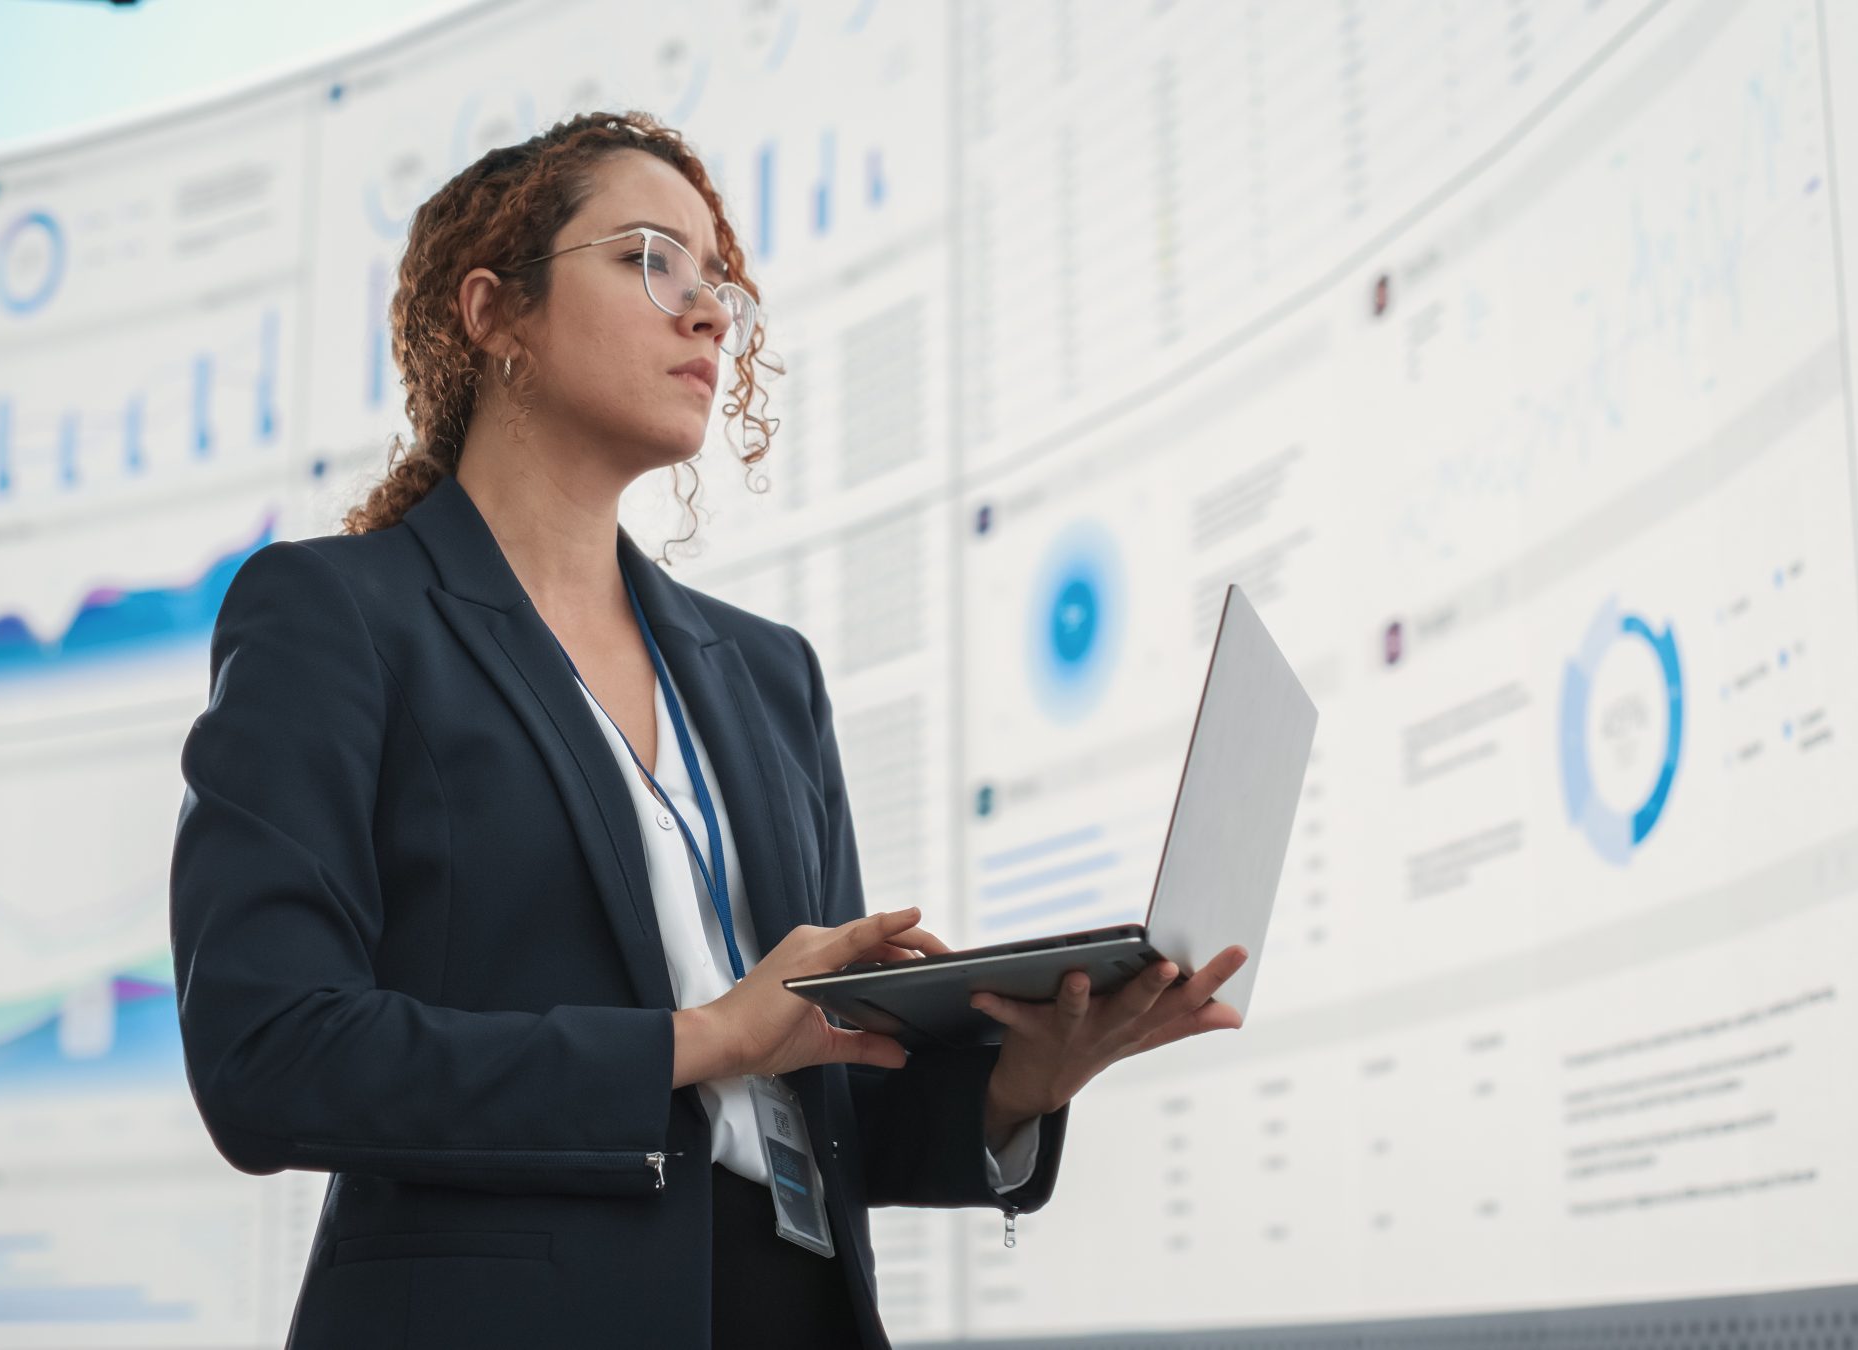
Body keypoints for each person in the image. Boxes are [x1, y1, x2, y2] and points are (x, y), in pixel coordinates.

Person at [168, 110, 1249, 1350]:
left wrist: (1026, 1077)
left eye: (715, 278)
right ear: (492, 313)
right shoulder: (337, 616)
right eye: (649, 259)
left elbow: (829, 1102)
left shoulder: (767, 676)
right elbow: (267, 1055)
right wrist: (697, 1040)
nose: (707, 313)